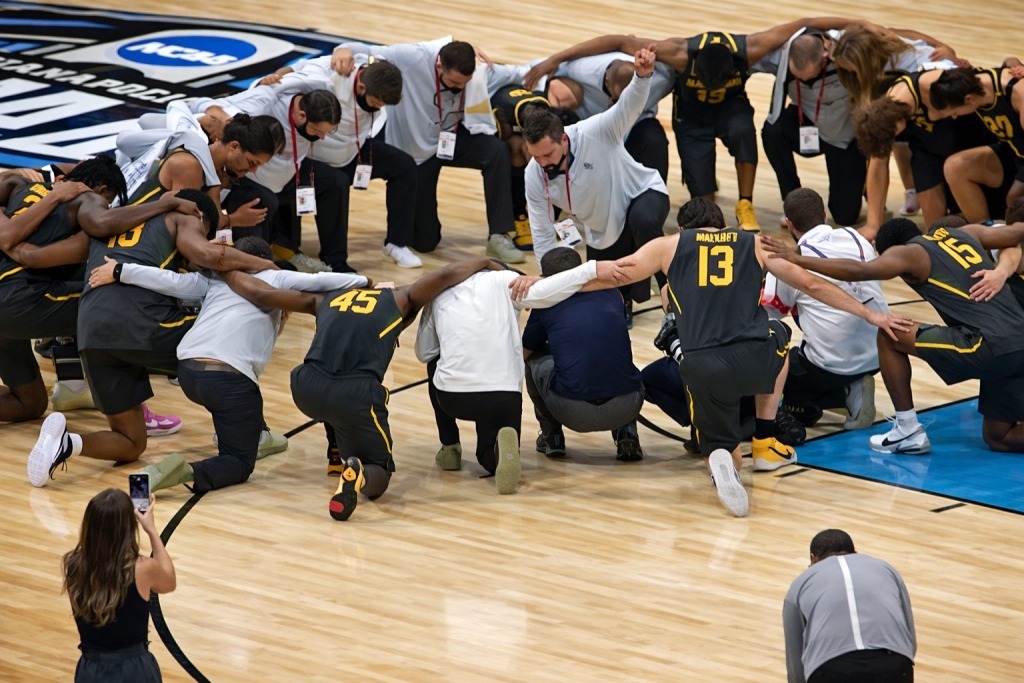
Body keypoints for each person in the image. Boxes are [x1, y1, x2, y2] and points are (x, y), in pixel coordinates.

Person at [580, 209, 910, 517]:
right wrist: (869, 313)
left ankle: (723, 459)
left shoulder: (667, 246)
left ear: (684, 229)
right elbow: (810, 283)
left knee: (717, 443)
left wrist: (547, 283)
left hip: (701, 364)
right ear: (723, 225)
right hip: (754, 357)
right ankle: (766, 441)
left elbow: (614, 275)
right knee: (780, 333)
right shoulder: (753, 242)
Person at [27, 190, 278, 487]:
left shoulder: (113, 219)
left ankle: (65, 444)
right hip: (141, 323)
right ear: (199, 216)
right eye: (205, 232)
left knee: (131, 442)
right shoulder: (184, 217)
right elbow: (209, 256)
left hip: (90, 333)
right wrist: (268, 269)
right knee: (226, 338)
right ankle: (253, 431)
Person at [519, 17, 863, 231]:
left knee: (746, 131)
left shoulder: (751, 48)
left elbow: (804, 22)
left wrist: (866, 26)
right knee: (702, 190)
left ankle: (745, 202)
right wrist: (556, 58)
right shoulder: (680, 52)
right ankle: (712, 208)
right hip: (692, 114)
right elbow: (619, 42)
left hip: (731, 108)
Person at [85, 237, 368, 493]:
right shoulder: (276, 277)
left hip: (188, 371)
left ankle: (258, 435)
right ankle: (180, 469)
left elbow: (166, 279)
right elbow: (323, 280)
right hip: (228, 378)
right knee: (238, 462)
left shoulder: (212, 279)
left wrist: (120, 270)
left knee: (238, 402)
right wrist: (370, 284)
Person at [762, 217, 1024, 454]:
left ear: (889, 250)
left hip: (988, 343)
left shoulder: (910, 253)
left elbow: (861, 270)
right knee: (998, 436)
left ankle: (907, 429)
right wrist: (1001, 271)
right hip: (1018, 341)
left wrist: (797, 259)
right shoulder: (963, 233)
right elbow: (1016, 233)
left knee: (889, 334)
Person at [0, 158, 193, 431]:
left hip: (14, 303)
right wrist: (165, 203)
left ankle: (73, 385)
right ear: (101, 189)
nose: (106, 204)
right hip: (19, 299)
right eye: (109, 199)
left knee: (29, 403)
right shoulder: (86, 198)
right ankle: (133, 411)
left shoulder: (20, 187)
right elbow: (102, 223)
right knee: (109, 307)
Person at [418, 257, 620, 494]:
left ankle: (450, 446)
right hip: (503, 395)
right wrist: (591, 270)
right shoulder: (506, 281)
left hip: (454, 398)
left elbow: (424, 353)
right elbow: (552, 289)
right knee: (493, 437)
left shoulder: (438, 292)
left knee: (434, 364)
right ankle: (493, 455)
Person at [330, 39, 524, 263]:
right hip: (416, 152)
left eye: (465, 83)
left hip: (451, 138)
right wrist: (342, 50)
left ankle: (499, 235)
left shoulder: (480, 70)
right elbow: (365, 50)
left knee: (495, 150)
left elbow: (521, 72)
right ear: (439, 65)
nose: (461, 88)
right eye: (454, 82)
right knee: (425, 241)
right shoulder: (413, 57)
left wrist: (553, 69)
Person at [523, 46, 669, 322]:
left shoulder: (595, 131)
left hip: (642, 192)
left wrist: (642, 76)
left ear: (563, 139)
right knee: (605, 283)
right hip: (601, 223)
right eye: (536, 156)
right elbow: (541, 229)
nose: (542, 162)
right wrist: (547, 277)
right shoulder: (534, 172)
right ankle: (623, 303)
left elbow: (630, 106)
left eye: (547, 154)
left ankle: (668, 289)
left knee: (644, 220)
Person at [258, 56, 424, 268]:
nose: (377, 107)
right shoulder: (331, 74)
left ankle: (397, 244)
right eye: (375, 103)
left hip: (353, 151)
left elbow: (374, 51)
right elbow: (297, 68)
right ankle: (331, 260)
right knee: (332, 182)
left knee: (404, 165)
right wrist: (276, 77)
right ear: (362, 86)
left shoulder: (369, 64)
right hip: (315, 156)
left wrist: (345, 48)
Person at [761, 189, 889, 430]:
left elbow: (770, 315)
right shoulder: (858, 238)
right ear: (824, 213)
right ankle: (854, 385)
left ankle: (842, 393)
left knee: (773, 364)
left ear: (789, 224)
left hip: (830, 364)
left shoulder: (790, 261)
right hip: (879, 352)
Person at [190, 87, 345, 272]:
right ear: (235, 147)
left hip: (266, 181)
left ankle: (262, 262)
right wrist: (234, 219)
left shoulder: (219, 170)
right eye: (252, 162)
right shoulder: (259, 105)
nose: (322, 137)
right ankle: (250, 269)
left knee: (269, 198)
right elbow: (185, 105)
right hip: (184, 238)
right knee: (255, 198)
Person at [522, 247, 645, 461]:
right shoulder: (613, 293)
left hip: (572, 412)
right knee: (615, 354)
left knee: (534, 357)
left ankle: (552, 437)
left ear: (545, 278)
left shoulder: (545, 302)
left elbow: (524, 351)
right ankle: (628, 434)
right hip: (627, 405)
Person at [854, 67, 990, 239]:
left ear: (895, 124)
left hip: (966, 144)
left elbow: (980, 85)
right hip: (927, 151)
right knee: (935, 230)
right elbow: (877, 164)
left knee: (974, 217)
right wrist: (873, 224)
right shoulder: (884, 116)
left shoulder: (932, 85)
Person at [63, 488, 175, 682]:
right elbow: (169, 582)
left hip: (90, 669)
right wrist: (151, 530)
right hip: (134, 670)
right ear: (128, 528)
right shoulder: (142, 569)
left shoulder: (72, 564)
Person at [783, 529, 916, 683]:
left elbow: (795, 660)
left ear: (813, 559)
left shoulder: (800, 583)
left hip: (831, 670)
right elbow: (909, 638)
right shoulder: (887, 570)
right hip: (893, 663)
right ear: (855, 553)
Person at [931, 63, 1024, 222]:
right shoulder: (973, 81)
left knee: (1015, 202)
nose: (954, 117)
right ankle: (985, 236)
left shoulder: (1017, 93)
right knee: (955, 167)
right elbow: (1010, 60)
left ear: (968, 99)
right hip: (1014, 151)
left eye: (954, 112)